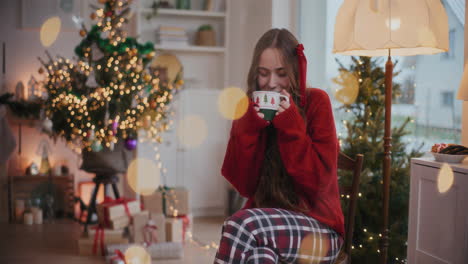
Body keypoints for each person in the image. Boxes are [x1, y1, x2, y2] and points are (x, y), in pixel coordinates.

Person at [214, 28, 344, 264]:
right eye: (263, 73)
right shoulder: (248, 108)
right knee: (259, 257)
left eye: (281, 73)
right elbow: (245, 186)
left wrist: (291, 127)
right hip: (269, 225)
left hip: (319, 229)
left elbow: (319, 185)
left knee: (240, 225)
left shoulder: (317, 102)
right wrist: (248, 127)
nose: (271, 83)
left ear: (295, 71)